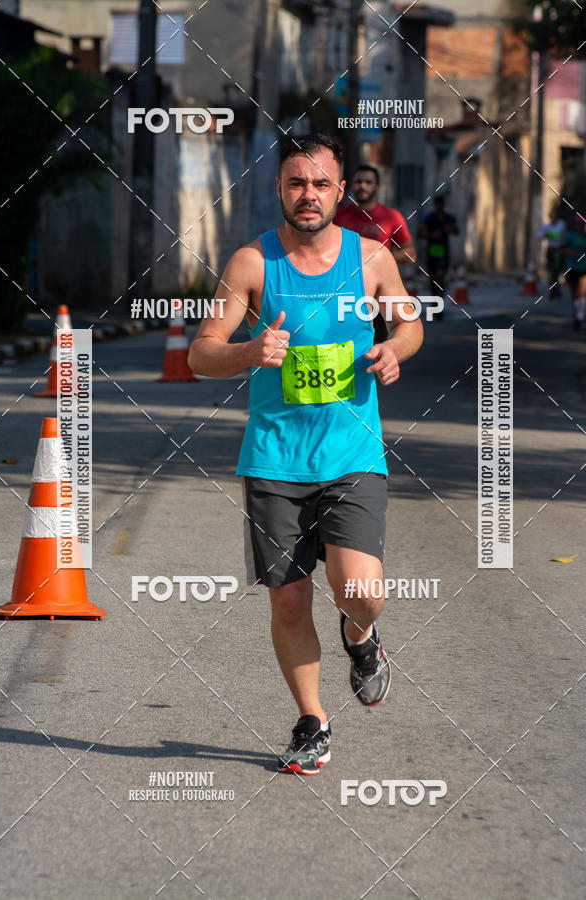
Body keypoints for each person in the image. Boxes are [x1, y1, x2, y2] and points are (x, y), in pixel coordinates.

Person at [189, 134, 423, 775]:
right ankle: (313, 720)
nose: (309, 195)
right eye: (297, 184)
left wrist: (396, 349)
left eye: (321, 184)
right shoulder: (252, 264)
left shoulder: (372, 258)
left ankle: (361, 635)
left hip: (352, 453)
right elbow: (200, 352)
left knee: (360, 590)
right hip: (273, 459)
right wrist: (246, 352)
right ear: (280, 191)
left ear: (340, 191)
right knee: (289, 600)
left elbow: (410, 322)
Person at [334, 165, 416, 342]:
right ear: (349, 185)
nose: (362, 186)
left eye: (368, 182)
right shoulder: (338, 216)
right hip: (341, 292)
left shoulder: (391, 217)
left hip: (378, 295)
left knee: (377, 346)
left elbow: (411, 254)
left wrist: (380, 260)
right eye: (358, 182)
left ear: (377, 187)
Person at [417, 195, 459, 317]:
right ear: (435, 205)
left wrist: (450, 229)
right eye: (437, 204)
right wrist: (431, 235)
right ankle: (435, 300)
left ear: (443, 205)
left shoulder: (449, 218)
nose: (439, 206)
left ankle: (439, 305)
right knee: (432, 279)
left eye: (441, 204)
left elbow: (457, 231)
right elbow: (419, 234)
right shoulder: (428, 218)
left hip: (443, 253)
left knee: (440, 277)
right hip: (431, 252)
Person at [562, 216, 586, 330]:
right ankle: (576, 314)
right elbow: (560, 248)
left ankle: (579, 317)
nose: (582, 227)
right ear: (576, 226)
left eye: (583, 224)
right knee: (574, 295)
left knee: (581, 292)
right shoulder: (571, 236)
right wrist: (569, 252)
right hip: (572, 268)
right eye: (579, 224)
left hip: (584, 269)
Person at [537, 207, 566, 299]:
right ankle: (554, 289)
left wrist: (548, 234)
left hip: (559, 251)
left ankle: (556, 288)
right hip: (550, 250)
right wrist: (547, 234)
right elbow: (538, 236)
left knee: (556, 271)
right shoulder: (546, 226)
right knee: (550, 271)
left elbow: (558, 235)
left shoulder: (561, 224)